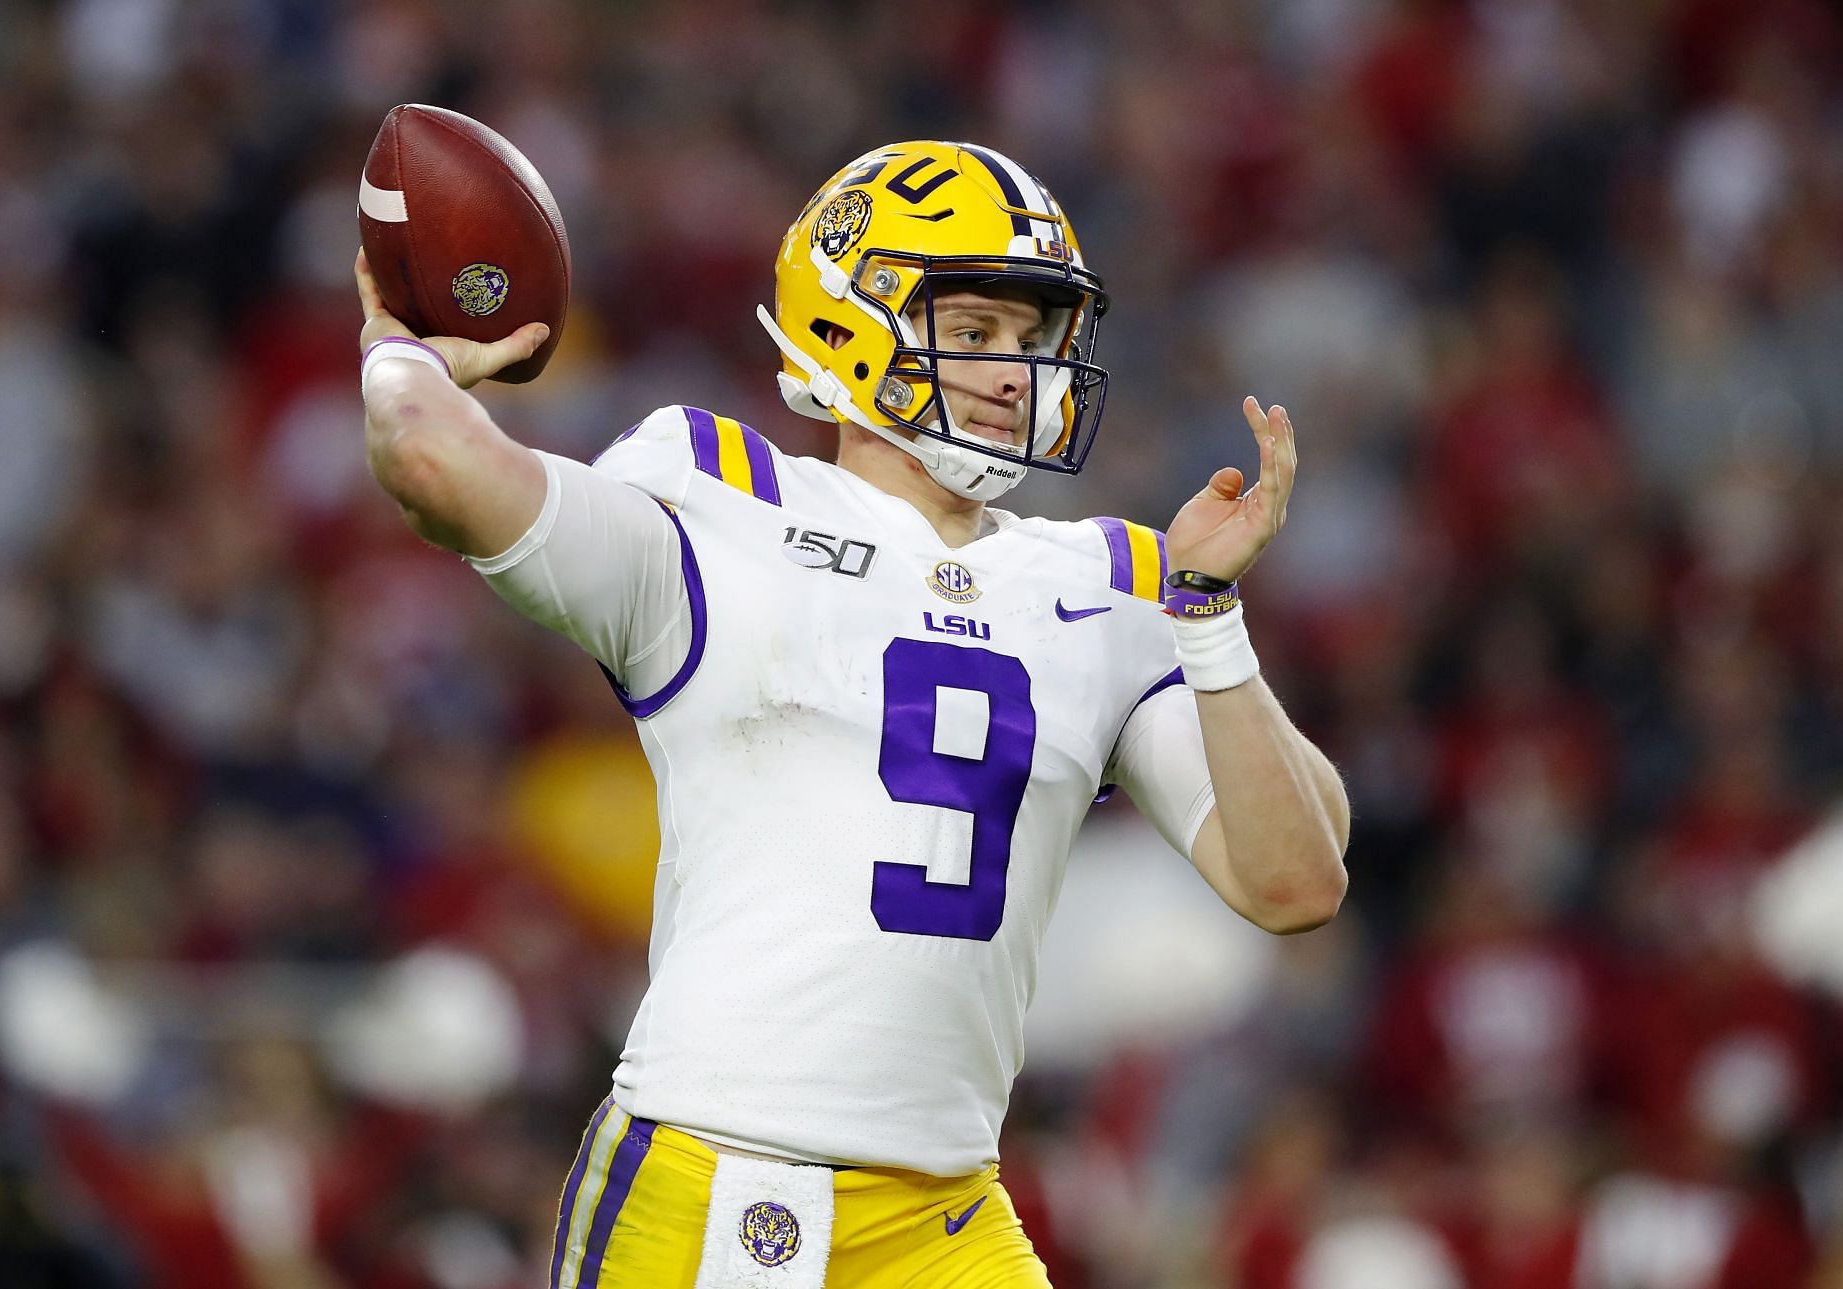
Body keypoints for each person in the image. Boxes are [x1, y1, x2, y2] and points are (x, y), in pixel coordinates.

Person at [355, 139, 1349, 1289]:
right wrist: (400, 350)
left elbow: (1295, 881)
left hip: (947, 1215)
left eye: (1030, 341)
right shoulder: (719, 494)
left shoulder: (1113, 579)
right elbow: (430, 458)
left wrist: (1208, 611)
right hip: (713, 1177)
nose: (1011, 373)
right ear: (845, 323)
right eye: (974, 332)